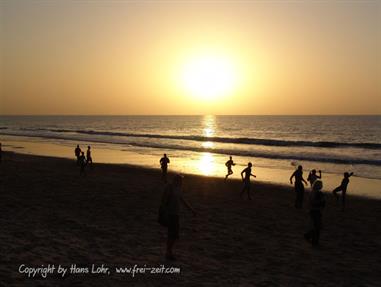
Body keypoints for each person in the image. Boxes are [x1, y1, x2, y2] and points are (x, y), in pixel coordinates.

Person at [159, 174, 196, 260]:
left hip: (176, 214)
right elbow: (163, 201)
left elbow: (182, 200)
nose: (182, 182)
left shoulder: (178, 188)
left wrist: (191, 210)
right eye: (180, 180)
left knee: (174, 234)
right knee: (172, 234)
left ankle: (169, 252)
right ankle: (168, 252)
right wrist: (164, 212)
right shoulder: (169, 188)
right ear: (176, 180)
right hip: (170, 213)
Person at [304, 180, 325, 246]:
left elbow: (309, 202)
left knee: (315, 226)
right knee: (317, 226)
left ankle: (308, 236)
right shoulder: (317, 193)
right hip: (315, 210)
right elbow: (316, 203)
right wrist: (321, 202)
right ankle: (314, 241)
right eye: (321, 185)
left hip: (312, 210)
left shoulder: (312, 192)